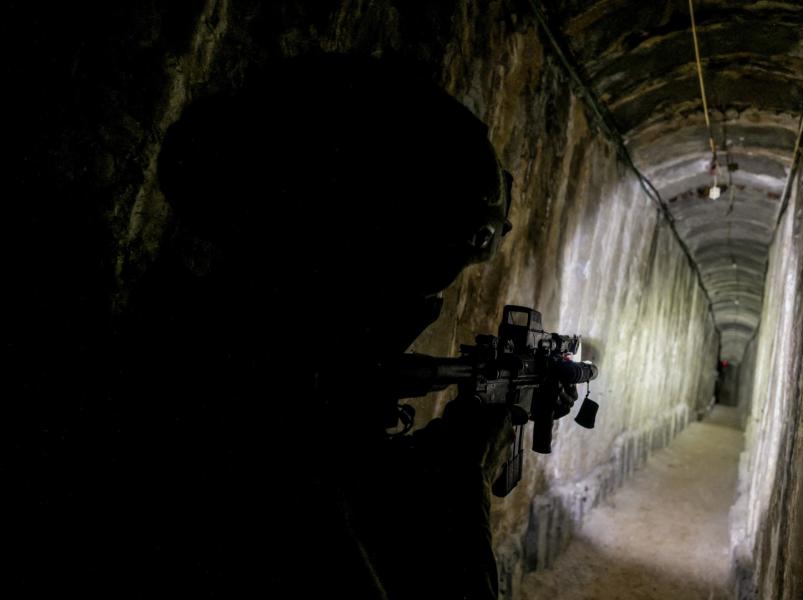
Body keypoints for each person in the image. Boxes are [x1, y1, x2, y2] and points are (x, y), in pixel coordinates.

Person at [67, 54, 515, 597]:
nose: (421, 306)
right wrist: (461, 464)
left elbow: (349, 475)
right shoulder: (239, 417)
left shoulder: (203, 350)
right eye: (417, 281)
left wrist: (456, 442)